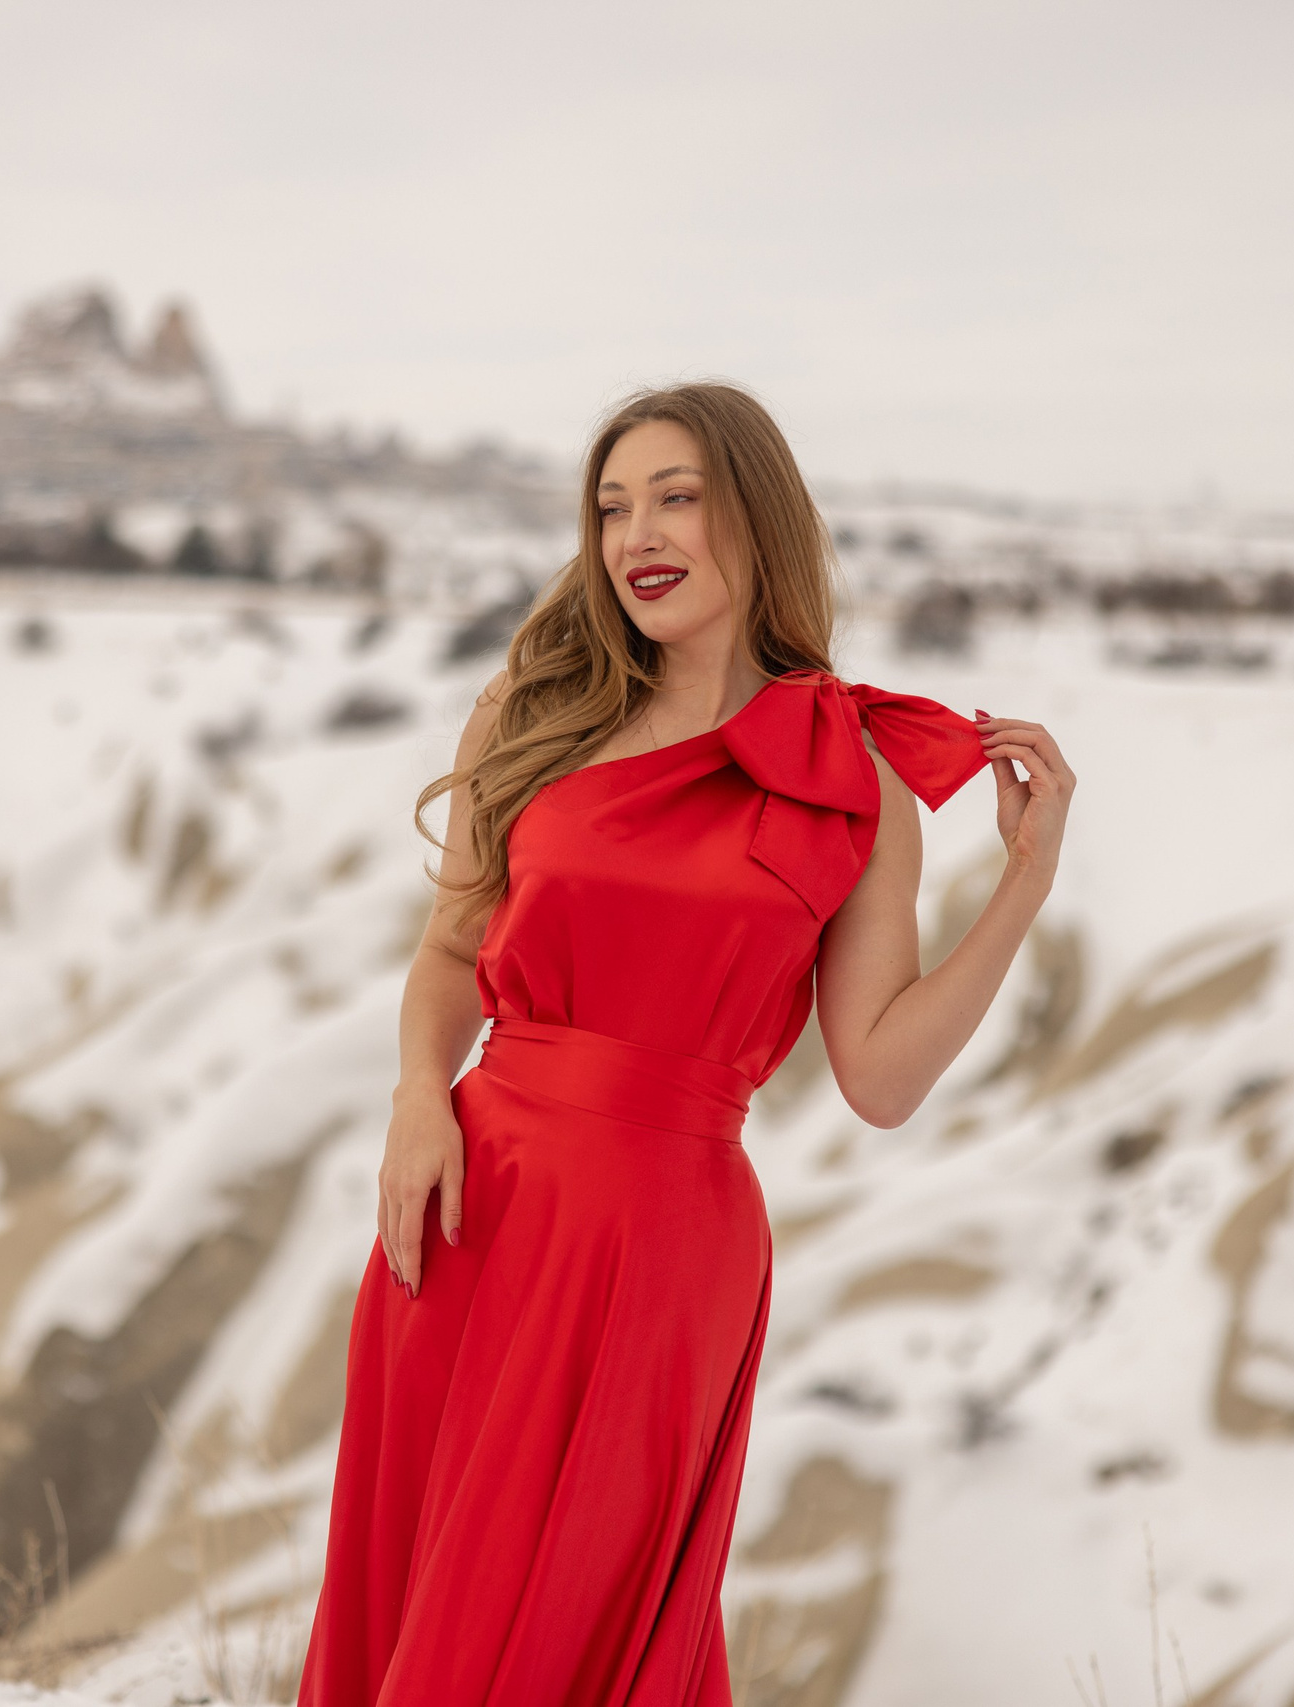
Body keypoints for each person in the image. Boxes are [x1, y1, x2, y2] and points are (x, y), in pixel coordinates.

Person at [296, 383, 1075, 1705]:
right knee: (429, 1591)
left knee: (576, 1622)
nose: (636, 534)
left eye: (676, 497)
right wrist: (420, 1100)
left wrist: (1023, 886)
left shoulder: (855, 775)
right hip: (473, 1203)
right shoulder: (535, 716)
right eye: (610, 506)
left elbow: (880, 1075)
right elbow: (446, 957)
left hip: (666, 1243)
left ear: (756, 517)